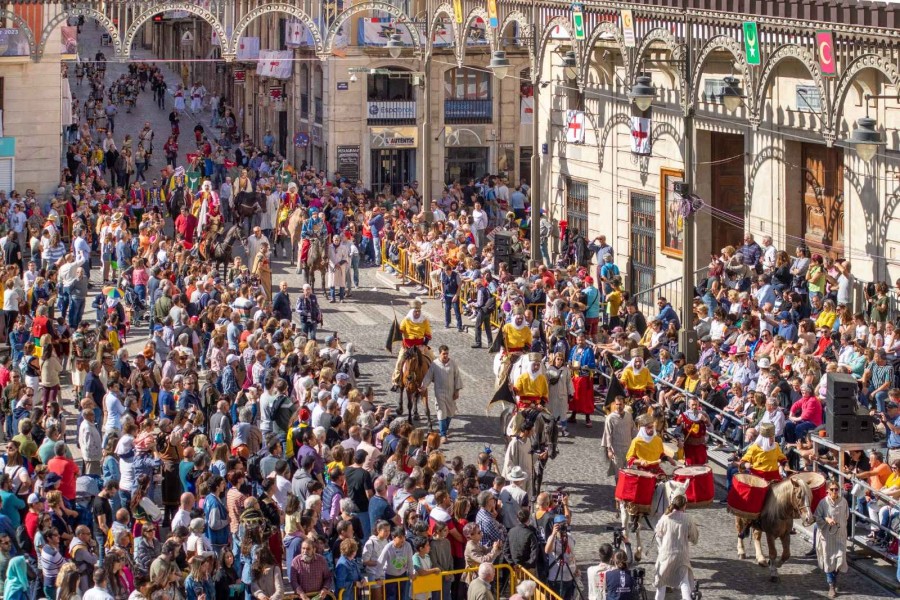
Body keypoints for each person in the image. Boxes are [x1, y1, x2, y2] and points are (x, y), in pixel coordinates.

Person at [653, 495, 698, 600]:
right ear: (684, 506)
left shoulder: (665, 517)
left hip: (666, 555)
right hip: (681, 555)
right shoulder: (688, 519)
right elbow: (694, 538)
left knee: (661, 585)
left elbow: (658, 532)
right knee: (684, 582)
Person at [420, 345, 463, 442]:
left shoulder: (452, 364)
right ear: (440, 353)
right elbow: (428, 376)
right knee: (441, 412)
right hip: (439, 392)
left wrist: (457, 391)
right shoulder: (435, 364)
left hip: (450, 392)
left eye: (447, 353)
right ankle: (443, 434)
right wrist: (423, 386)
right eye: (444, 354)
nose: (446, 355)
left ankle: (445, 429)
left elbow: (457, 377)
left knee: (450, 412)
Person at [816, 482, 849, 598]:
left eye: (836, 489)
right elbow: (817, 517)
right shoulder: (823, 503)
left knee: (840, 559)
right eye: (832, 489)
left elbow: (846, 516)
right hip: (827, 536)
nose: (835, 492)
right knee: (829, 560)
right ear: (828, 491)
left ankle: (833, 579)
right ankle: (831, 585)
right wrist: (827, 519)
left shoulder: (843, 502)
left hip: (840, 535)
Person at [392, 299, 434, 389]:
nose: (417, 313)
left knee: (433, 359)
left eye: (419, 311)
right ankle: (396, 382)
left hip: (420, 346)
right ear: (412, 312)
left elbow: (428, 335)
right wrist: (397, 328)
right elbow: (400, 330)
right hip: (407, 346)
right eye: (415, 311)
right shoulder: (406, 320)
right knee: (399, 362)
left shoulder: (424, 321)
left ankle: (435, 377)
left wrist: (424, 345)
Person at [600, 396, 637, 478]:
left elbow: (633, 430)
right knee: (618, 474)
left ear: (624, 404)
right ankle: (618, 490)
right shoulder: (610, 418)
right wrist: (609, 450)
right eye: (617, 404)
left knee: (630, 472)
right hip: (616, 450)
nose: (618, 406)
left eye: (620, 404)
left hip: (628, 448)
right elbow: (608, 434)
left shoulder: (629, 416)